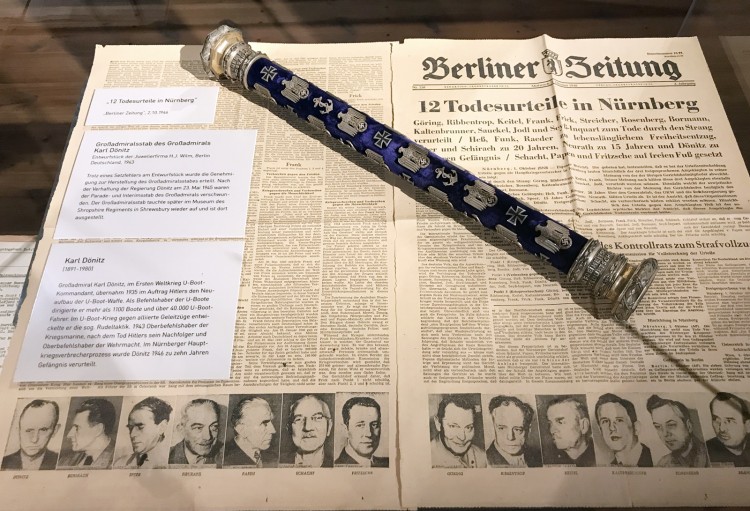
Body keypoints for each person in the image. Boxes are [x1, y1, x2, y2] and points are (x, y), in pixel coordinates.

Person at [646, 394, 709, 468]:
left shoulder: (709, 455)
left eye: (671, 425)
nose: (665, 433)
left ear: (689, 426)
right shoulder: (662, 464)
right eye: (658, 427)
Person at [594, 393, 653, 467]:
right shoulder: (608, 467)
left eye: (619, 420)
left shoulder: (655, 459)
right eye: (605, 421)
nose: (612, 428)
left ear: (636, 428)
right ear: (600, 430)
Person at [114, 397, 172, 469]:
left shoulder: (170, 463)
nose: (132, 434)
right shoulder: (120, 463)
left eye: (140, 427)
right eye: (130, 428)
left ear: (162, 427)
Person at [1, 400, 61, 470]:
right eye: (28, 430)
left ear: (55, 431)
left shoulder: (61, 462)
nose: (34, 439)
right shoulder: (4, 463)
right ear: (18, 430)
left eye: (43, 430)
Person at [431, 395, 487, 468]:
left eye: (468, 427)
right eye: (453, 426)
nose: (462, 437)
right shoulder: (429, 456)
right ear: (438, 424)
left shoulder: (482, 457)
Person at [59, 398, 117, 469]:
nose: (69, 435)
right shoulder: (64, 461)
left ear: (98, 429)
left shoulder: (118, 460)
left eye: (77, 428)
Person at [485, 395, 541, 467]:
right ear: (494, 427)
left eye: (517, 429)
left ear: (529, 430)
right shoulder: (485, 460)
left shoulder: (538, 456)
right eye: (502, 428)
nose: (510, 437)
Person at [279, 395, 333, 468]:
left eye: (317, 418)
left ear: (329, 426)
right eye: (299, 419)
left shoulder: (334, 463)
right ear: (289, 428)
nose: (307, 427)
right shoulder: (279, 462)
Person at [223, 396, 278, 467]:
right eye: (264, 423)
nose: (273, 430)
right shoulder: (224, 459)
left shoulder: (273, 457)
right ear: (242, 429)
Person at [335, 396, 388, 467]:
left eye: (374, 425)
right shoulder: (338, 465)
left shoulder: (387, 463)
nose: (369, 434)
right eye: (360, 425)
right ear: (345, 430)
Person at [543, 395, 595, 467]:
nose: (552, 430)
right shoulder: (548, 459)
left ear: (583, 426)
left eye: (560, 422)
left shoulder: (599, 456)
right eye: (550, 423)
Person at [168, 398, 223, 465]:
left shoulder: (226, 454)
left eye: (214, 427)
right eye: (198, 428)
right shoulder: (167, 456)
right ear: (181, 429)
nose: (208, 437)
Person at [706, 392, 750, 467]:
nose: (722, 429)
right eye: (716, 420)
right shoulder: (706, 452)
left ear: (747, 425)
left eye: (729, 421)